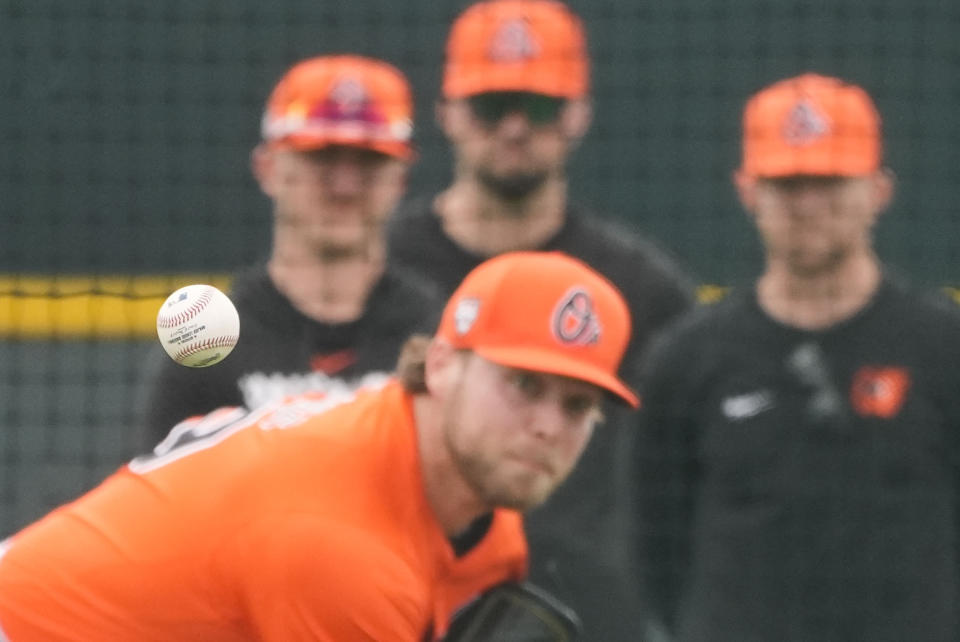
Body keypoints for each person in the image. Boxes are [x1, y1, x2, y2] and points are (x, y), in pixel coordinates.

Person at [0, 251, 638, 641]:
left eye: (578, 405)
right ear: (443, 366)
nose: (550, 425)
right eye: (523, 385)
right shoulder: (341, 543)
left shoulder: (479, 524)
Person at [387, 1, 695, 638]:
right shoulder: (386, 272)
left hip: (584, 615)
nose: (517, 127)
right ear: (448, 114)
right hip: (406, 604)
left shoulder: (640, 290)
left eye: (542, 106)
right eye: (492, 106)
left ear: (578, 114)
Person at [635, 72, 960, 642]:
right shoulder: (686, 360)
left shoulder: (943, 350)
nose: (808, 204)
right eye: (787, 183)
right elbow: (656, 552)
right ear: (746, 189)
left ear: (879, 190)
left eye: (830, 181)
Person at [138, 54, 441, 449]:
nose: (345, 186)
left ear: (400, 179)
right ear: (267, 169)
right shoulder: (207, 345)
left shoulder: (437, 336)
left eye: (369, 160)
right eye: (322, 158)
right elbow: (167, 501)